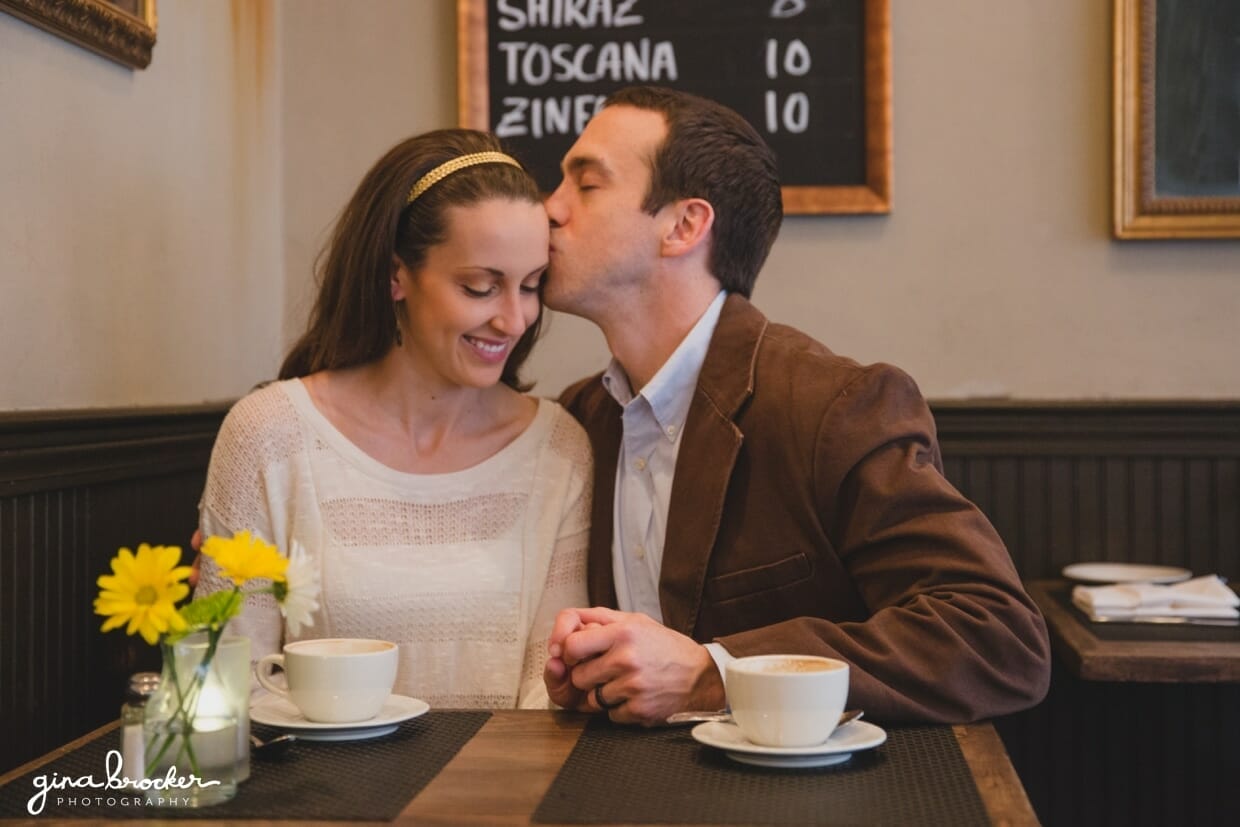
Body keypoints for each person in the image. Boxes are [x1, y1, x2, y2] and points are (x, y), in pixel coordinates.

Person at [539, 86, 1051, 725]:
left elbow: (997, 637)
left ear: (684, 226)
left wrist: (716, 673)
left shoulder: (836, 408)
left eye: (585, 186)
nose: (549, 209)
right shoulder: (579, 419)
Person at [195, 129, 592, 709]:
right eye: (480, 287)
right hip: (313, 792)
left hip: (501, 794)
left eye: (532, 287)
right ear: (395, 276)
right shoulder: (269, 434)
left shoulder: (558, 450)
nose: (514, 320)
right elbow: (232, 682)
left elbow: (548, 692)